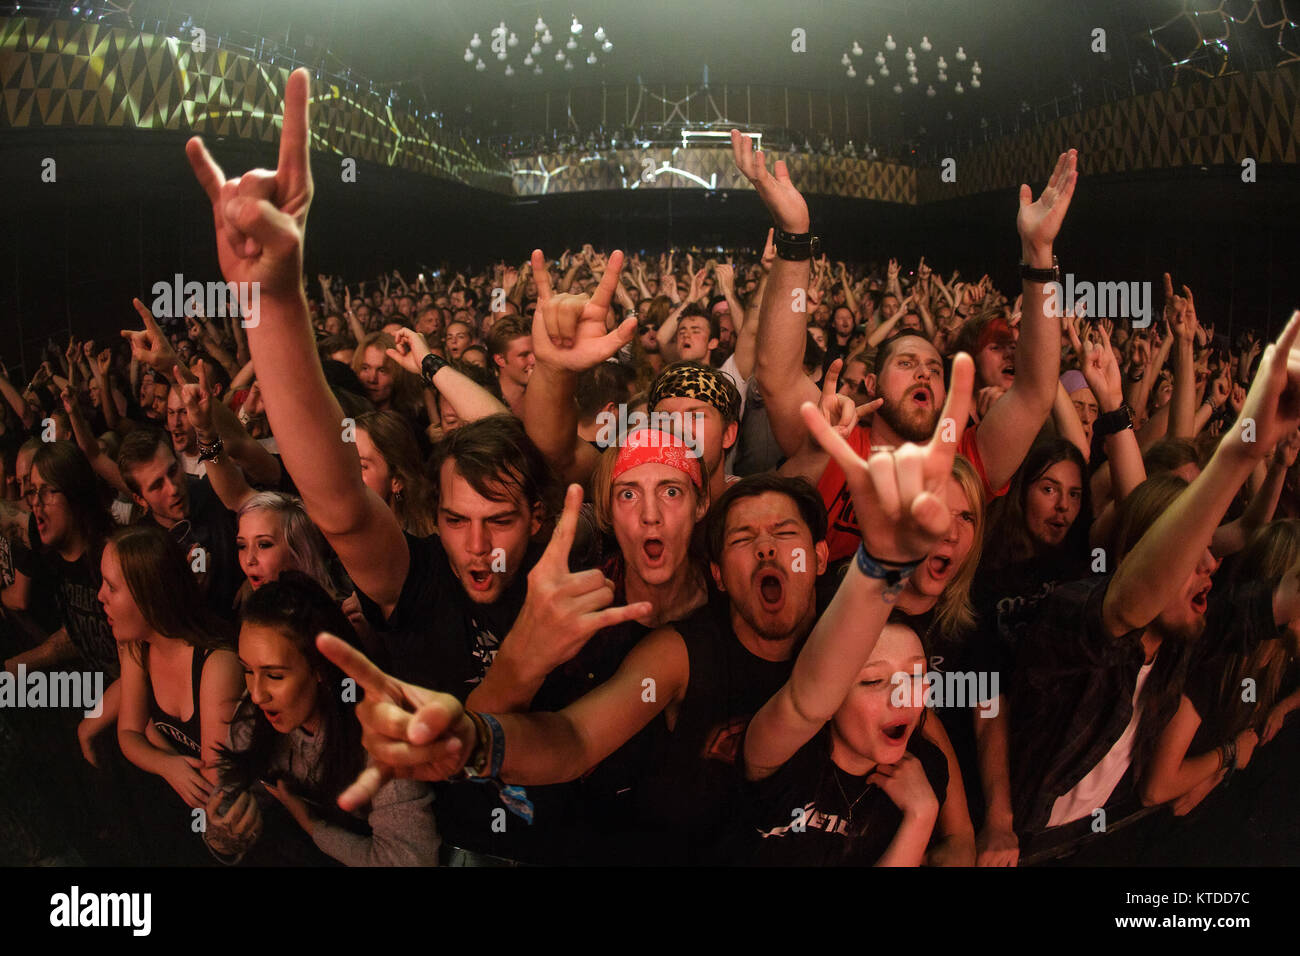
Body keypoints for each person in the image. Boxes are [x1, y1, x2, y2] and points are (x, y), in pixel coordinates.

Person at [1010, 310, 1300, 853]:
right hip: (1028, 849)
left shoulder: (1187, 640)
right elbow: (1122, 607)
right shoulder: (1072, 621)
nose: (1213, 564)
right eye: (1191, 554)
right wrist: (1239, 449)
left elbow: (1277, 601)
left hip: (1104, 839)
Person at [737, 129, 1077, 562]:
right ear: (874, 382)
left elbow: (1034, 392)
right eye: (909, 363)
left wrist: (1039, 255)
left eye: (935, 369)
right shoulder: (838, 445)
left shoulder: (967, 460)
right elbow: (778, 373)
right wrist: (795, 235)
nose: (924, 373)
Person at [203, 573, 440, 866]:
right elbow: (235, 804)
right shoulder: (254, 717)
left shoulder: (382, 734)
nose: (256, 694)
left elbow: (410, 860)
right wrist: (222, 833)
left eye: (275, 675)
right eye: (248, 671)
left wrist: (313, 825)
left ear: (320, 669)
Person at [105, 524, 243, 811]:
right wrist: (167, 765)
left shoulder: (217, 665)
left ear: (149, 596)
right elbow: (128, 732)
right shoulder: (137, 646)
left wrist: (155, 740)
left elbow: (213, 789)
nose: (100, 596)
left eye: (112, 587)